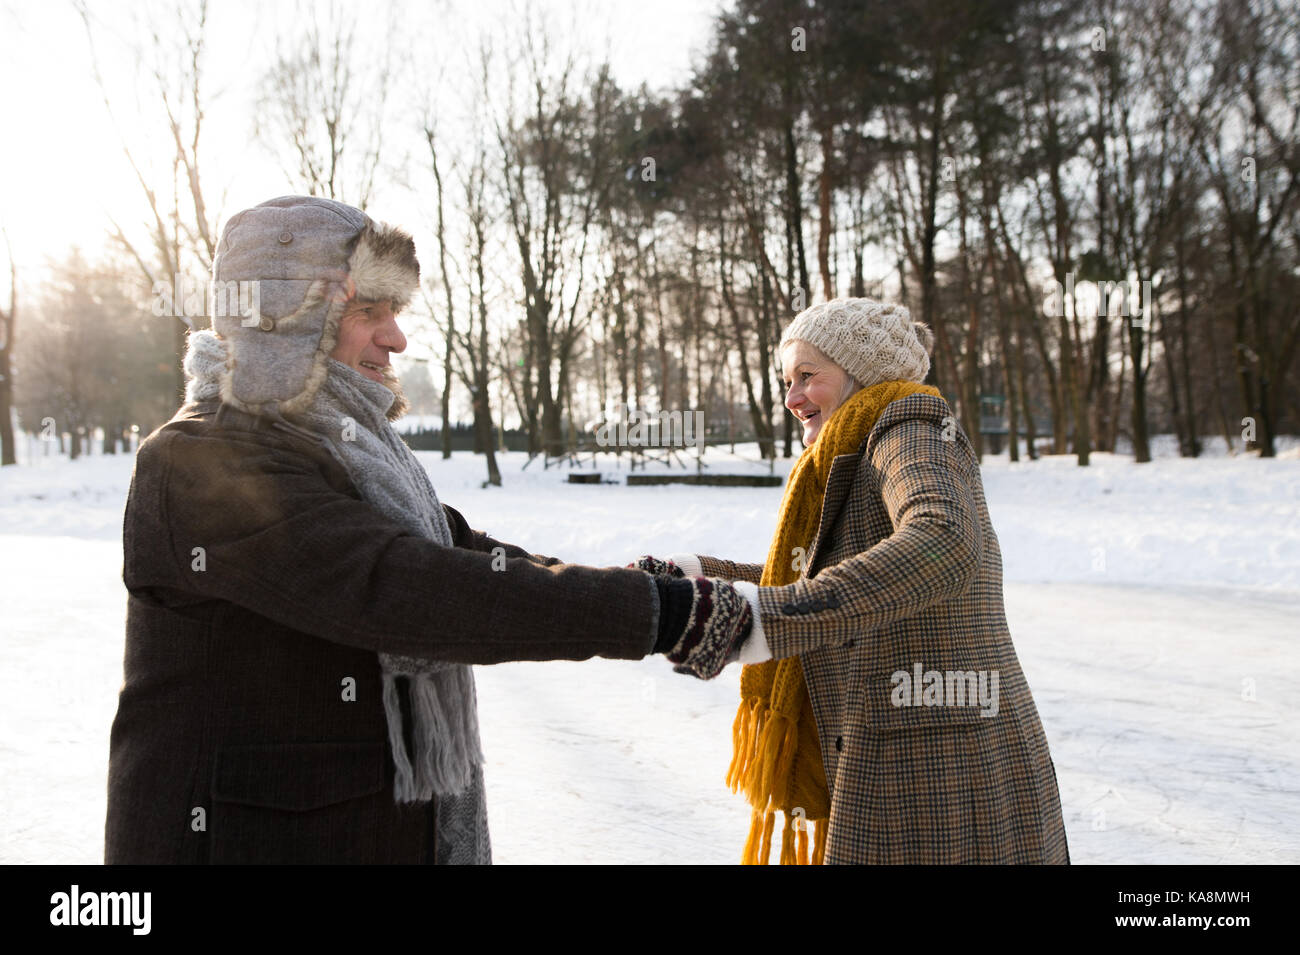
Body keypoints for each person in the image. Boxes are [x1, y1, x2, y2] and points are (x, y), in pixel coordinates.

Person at [105, 195, 751, 864]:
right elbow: (397, 585)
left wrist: (635, 585)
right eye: (367, 312)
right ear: (282, 318)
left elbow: (459, 551)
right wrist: (655, 614)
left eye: (395, 313)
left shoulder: (356, 448)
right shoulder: (201, 456)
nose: (396, 338)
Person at [633, 297, 1070, 865]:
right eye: (786, 382)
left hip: (944, 773)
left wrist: (761, 621)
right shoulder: (851, 454)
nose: (792, 400)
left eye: (807, 377)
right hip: (897, 756)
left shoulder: (911, 429)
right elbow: (814, 574)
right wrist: (700, 579)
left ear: (861, 371)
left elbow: (944, 542)